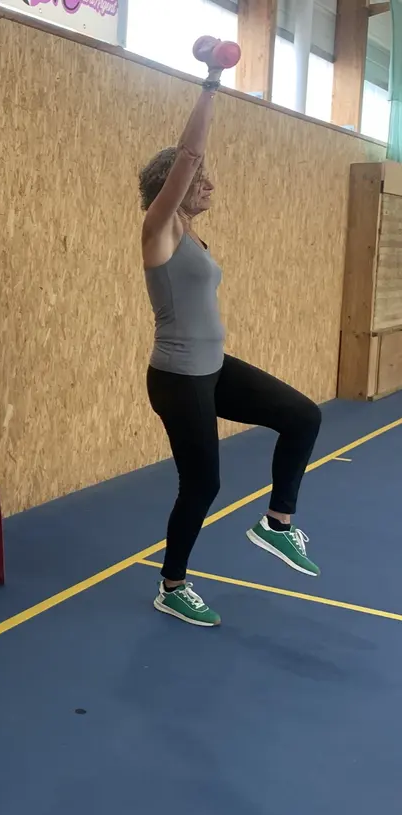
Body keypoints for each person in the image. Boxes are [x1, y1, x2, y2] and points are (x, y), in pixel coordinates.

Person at [137, 46, 323, 628]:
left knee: (303, 416)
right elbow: (190, 153)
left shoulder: (189, 235)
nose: (209, 185)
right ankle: (172, 585)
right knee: (202, 484)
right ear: (172, 185)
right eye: (200, 180)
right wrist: (212, 81)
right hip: (178, 379)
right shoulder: (158, 228)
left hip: (213, 369)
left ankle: (277, 523)